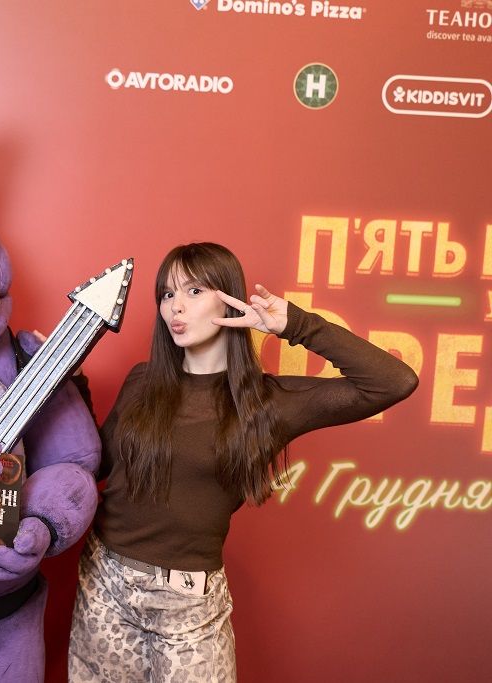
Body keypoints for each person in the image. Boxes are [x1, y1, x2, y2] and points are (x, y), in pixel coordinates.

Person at [68, 242, 418, 682]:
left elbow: (393, 381)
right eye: (167, 294)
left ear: (228, 298)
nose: (176, 306)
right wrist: (74, 386)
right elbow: (99, 464)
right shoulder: (143, 380)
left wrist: (297, 325)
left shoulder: (266, 403)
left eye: (194, 291)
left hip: (187, 603)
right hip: (104, 583)